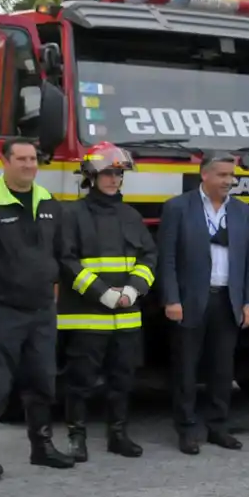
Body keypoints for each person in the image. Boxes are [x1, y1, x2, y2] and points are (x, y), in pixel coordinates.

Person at [0, 137, 76, 477]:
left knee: (42, 382)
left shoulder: (50, 203)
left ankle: (42, 447)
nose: (29, 165)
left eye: (33, 159)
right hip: (0, 311)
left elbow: (59, 254)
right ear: (5, 162)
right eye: (21, 159)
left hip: (41, 311)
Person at [58, 142, 156, 461]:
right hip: (86, 316)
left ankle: (118, 434)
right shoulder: (71, 214)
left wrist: (134, 289)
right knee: (80, 381)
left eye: (117, 173)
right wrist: (101, 291)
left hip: (127, 316)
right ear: (90, 176)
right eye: (107, 174)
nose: (113, 179)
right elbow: (66, 260)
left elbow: (149, 256)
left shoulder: (131, 215)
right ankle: (77, 437)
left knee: (123, 379)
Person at [156, 152, 249, 456]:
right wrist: (171, 298)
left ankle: (217, 426)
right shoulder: (178, 208)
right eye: (223, 175)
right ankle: (186, 429)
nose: (229, 181)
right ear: (205, 175)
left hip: (228, 301)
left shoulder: (241, 211)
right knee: (186, 369)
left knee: (222, 370)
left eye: (232, 175)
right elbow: (168, 259)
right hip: (189, 302)